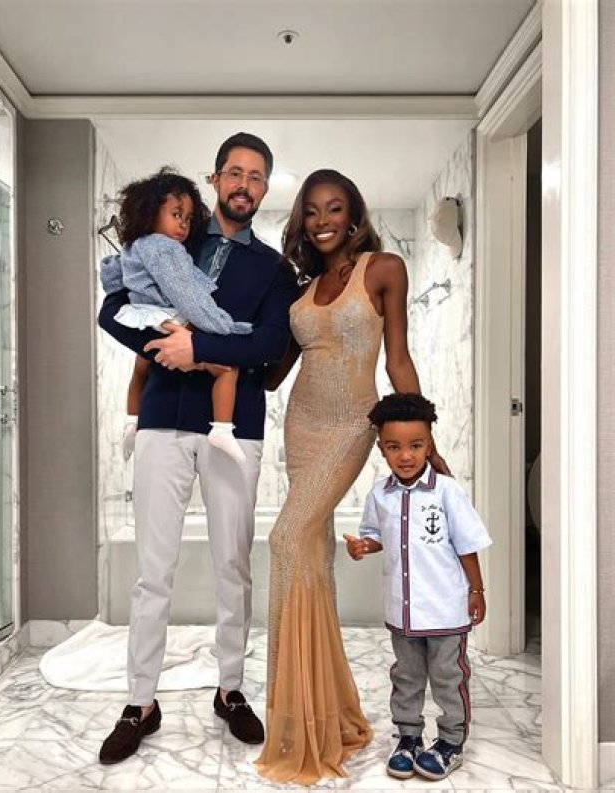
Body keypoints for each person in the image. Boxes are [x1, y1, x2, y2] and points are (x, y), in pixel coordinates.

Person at [97, 132, 299, 765]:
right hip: (162, 421)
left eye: (257, 176)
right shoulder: (172, 236)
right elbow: (112, 310)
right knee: (152, 571)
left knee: (233, 566)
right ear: (215, 180)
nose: (244, 184)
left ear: (264, 189)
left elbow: (269, 344)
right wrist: (168, 345)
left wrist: (200, 349)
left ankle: (230, 690)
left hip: (234, 429)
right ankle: (140, 703)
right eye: (234, 172)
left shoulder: (274, 270)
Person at [256, 169, 449, 785]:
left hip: (350, 426)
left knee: (285, 539)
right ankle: (317, 719)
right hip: (301, 425)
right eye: (311, 211)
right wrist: (215, 341)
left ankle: (304, 718)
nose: (322, 220)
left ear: (354, 214)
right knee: (310, 555)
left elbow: (398, 360)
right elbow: (272, 373)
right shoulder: (303, 290)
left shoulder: (383, 269)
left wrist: (426, 439)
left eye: (334, 208)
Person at [344, 392, 491, 781]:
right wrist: (365, 546)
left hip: (445, 610)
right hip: (403, 610)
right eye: (394, 447)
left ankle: (451, 742)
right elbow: (377, 535)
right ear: (382, 448)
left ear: (429, 445)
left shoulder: (447, 491)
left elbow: (467, 546)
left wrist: (477, 591)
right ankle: (408, 737)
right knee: (406, 678)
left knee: (448, 677)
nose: (406, 455)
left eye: (415, 445)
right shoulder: (380, 495)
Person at [100, 167, 253, 464]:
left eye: (188, 218)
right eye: (176, 214)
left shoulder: (136, 245)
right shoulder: (164, 248)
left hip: (142, 313)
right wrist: (224, 326)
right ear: (151, 213)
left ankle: (131, 422)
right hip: (166, 316)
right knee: (225, 368)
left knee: (141, 368)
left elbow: (112, 275)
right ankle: (222, 428)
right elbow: (186, 295)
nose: (183, 224)